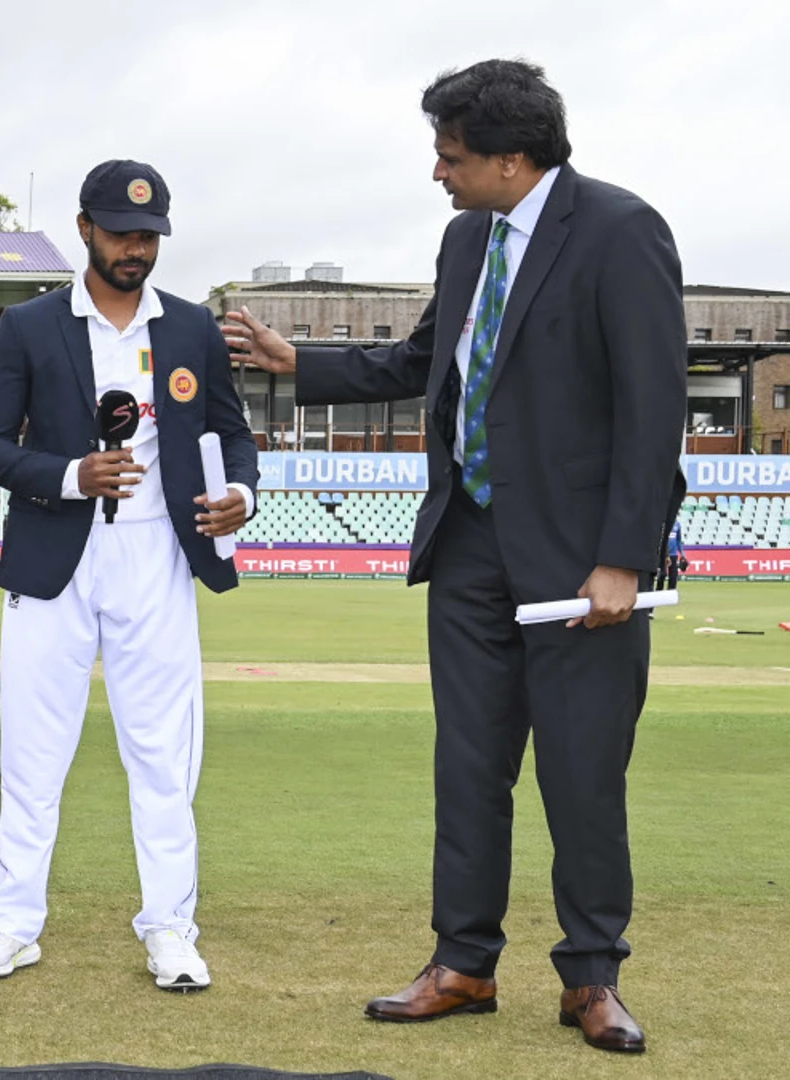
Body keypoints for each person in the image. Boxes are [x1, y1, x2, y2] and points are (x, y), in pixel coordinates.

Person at [225, 60, 683, 1054]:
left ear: (513, 161)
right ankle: (464, 963)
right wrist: (298, 362)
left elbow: (655, 411)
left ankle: (592, 978)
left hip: (578, 565)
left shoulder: (620, 230)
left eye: (453, 156)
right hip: (468, 541)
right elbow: (423, 362)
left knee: (582, 775)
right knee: (469, 767)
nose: (439, 173)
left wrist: (624, 559)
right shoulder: (467, 236)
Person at [0, 159, 258, 990]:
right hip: (55, 557)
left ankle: (169, 928)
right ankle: (13, 925)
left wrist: (239, 492)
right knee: (32, 755)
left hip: (158, 557)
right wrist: (69, 475)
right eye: (123, 233)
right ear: (85, 228)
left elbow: (233, 435)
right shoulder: (28, 325)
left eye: (151, 236)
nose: (137, 249)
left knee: (164, 759)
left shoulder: (193, 327)